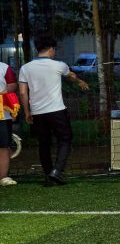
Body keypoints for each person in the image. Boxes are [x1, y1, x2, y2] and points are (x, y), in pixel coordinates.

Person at [17, 35, 89, 185]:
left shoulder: (25, 68)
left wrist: (27, 112)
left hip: (37, 112)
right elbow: (71, 76)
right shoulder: (59, 65)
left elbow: (23, 92)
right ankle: (57, 171)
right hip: (57, 111)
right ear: (51, 49)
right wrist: (80, 82)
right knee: (65, 139)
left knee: (43, 143)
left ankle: (48, 175)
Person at [0, 59, 18, 186]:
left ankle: (3, 177)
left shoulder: (4, 67)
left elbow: (12, 85)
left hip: (3, 114)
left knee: (3, 146)